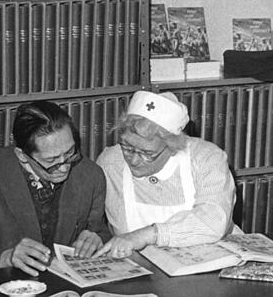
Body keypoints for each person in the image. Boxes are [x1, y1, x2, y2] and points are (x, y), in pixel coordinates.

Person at [0, 101, 110, 276]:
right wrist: (7, 257)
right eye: (51, 161)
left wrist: (96, 240)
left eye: (70, 153)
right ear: (22, 156)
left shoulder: (90, 174)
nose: (65, 167)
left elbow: (100, 230)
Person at [94, 91, 237, 259]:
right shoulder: (111, 163)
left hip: (213, 263)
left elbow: (213, 220)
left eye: (147, 153)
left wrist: (148, 235)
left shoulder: (206, 158)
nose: (133, 159)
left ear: (172, 148)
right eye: (127, 147)